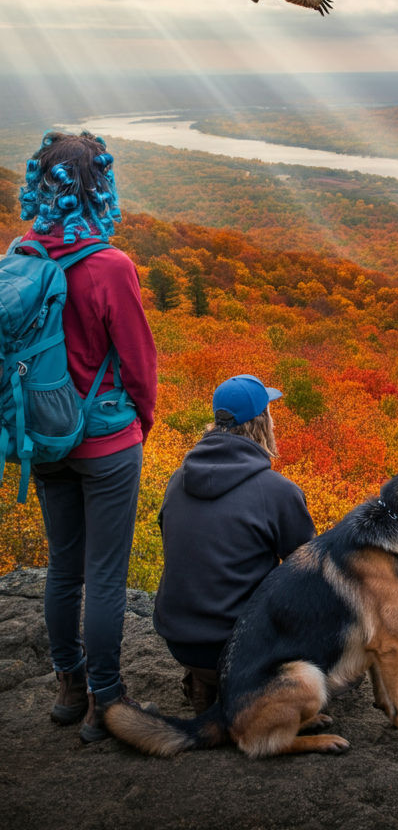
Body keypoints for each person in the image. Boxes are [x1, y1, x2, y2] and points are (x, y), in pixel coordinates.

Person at [17, 130, 158, 742]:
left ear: (41, 186)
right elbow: (139, 364)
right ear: (100, 187)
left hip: (45, 438)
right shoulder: (111, 266)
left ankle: (68, 687)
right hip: (105, 441)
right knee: (103, 576)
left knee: (63, 569)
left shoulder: (20, 255)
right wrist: (140, 423)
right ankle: (106, 697)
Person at [153, 374, 315, 714]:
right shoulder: (278, 492)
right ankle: (250, 697)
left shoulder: (178, 479)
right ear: (262, 422)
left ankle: (203, 683)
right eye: (270, 414)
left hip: (180, 642)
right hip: (239, 651)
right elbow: (309, 574)